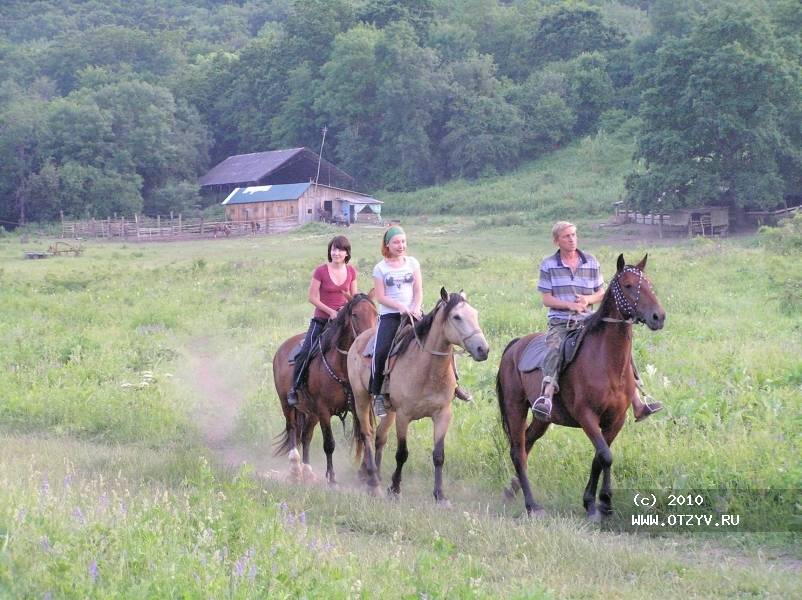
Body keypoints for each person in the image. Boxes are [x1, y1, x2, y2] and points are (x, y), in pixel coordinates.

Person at [531, 221, 663, 422]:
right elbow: (546, 298)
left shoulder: (591, 262)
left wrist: (587, 300)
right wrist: (570, 305)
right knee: (555, 348)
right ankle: (547, 396)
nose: (572, 239)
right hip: (561, 322)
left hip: (588, 319)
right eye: (567, 236)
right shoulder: (549, 265)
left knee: (620, 348)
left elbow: (601, 293)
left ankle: (637, 400)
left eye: (574, 234)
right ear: (557, 240)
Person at [287, 235, 358, 406]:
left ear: (347, 253)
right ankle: (295, 388)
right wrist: (330, 312)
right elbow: (312, 297)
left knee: (360, 348)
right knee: (305, 351)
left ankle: (365, 390)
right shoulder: (320, 271)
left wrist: (347, 312)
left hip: (343, 322)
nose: (336, 253)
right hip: (322, 319)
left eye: (340, 249)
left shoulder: (351, 271)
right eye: (333, 249)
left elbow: (353, 298)